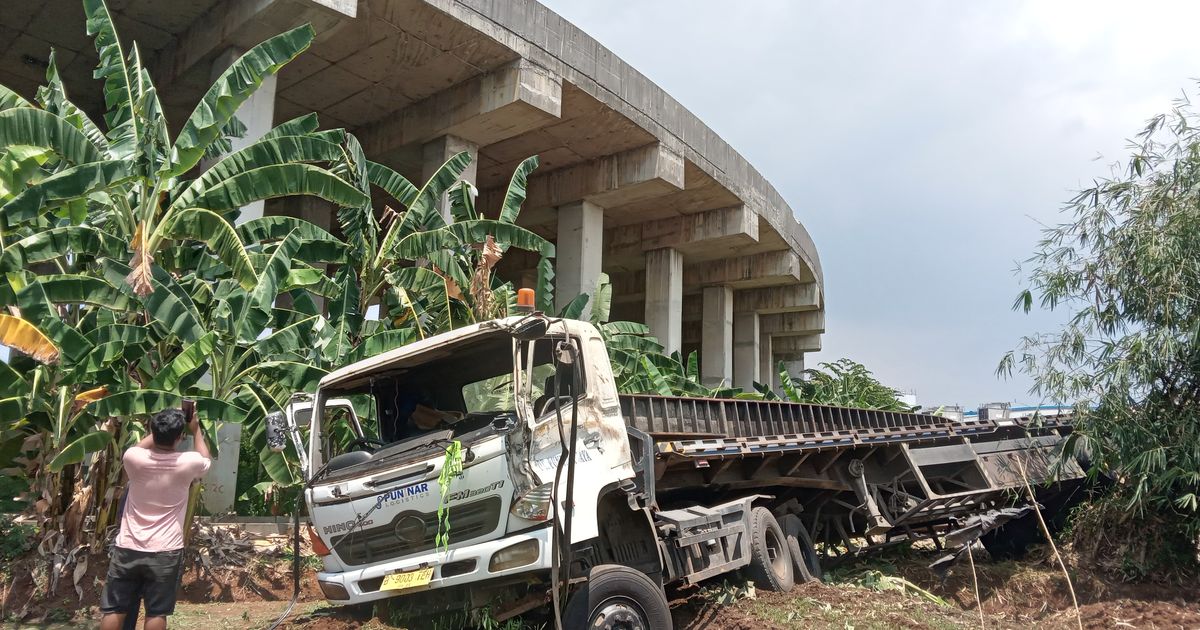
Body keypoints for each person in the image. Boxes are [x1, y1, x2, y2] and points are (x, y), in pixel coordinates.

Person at [99, 407, 211, 630]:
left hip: (128, 547)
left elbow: (140, 447)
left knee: (115, 609)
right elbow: (205, 457)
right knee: (157, 612)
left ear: (152, 430)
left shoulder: (134, 459)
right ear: (180, 438)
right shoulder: (188, 463)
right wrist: (195, 429)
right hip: (166, 551)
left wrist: (161, 426)